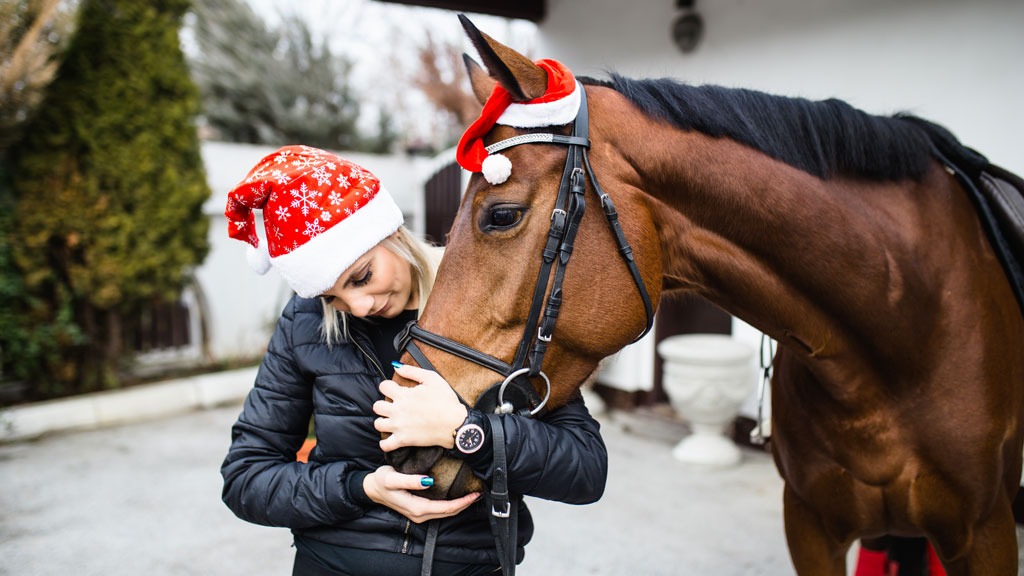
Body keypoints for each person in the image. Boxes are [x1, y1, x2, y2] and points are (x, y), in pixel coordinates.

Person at [220, 145, 608, 576]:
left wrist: (466, 431)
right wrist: (360, 488)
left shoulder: (492, 306)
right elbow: (246, 478)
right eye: (333, 297)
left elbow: (585, 469)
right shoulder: (304, 324)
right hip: (332, 563)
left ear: (390, 233)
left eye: (362, 276)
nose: (359, 306)